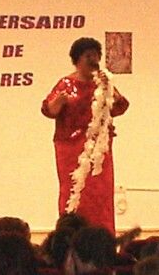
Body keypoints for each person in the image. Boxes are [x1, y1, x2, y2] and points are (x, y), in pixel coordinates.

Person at [42, 37, 130, 233]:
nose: (94, 60)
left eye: (96, 55)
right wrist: (59, 102)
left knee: (100, 193)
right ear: (77, 59)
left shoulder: (102, 83)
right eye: (88, 56)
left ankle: (102, 235)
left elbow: (120, 107)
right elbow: (49, 110)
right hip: (70, 149)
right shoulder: (65, 83)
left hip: (99, 149)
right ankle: (70, 234)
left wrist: (110, 89)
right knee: (73, 191)